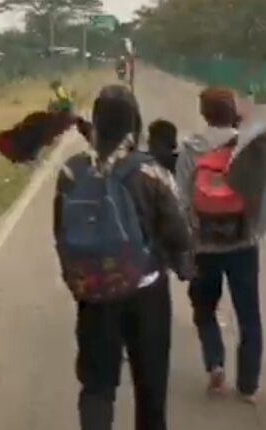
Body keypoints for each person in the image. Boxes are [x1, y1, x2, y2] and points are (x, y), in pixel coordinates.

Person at [54, 85, 193, 430]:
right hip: (146, 291)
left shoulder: (71, 172)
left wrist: (76, 278)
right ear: (134, 124)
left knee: (97, 386)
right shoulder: (151, 172)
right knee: (151, 389)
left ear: (96, 122)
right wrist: (184, 264)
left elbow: (61, 233)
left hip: (95, 291)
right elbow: (179, 232)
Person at [175, 87, 262, 403]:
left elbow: (182, 200)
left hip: (204, 246)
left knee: (204, 309)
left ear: (204, 113)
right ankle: (248, 385)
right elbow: (259, 195)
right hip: (243, 244)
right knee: (249, 315)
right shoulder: (249, 147)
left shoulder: (191, 149)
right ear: (233, 113)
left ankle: (215, 363)